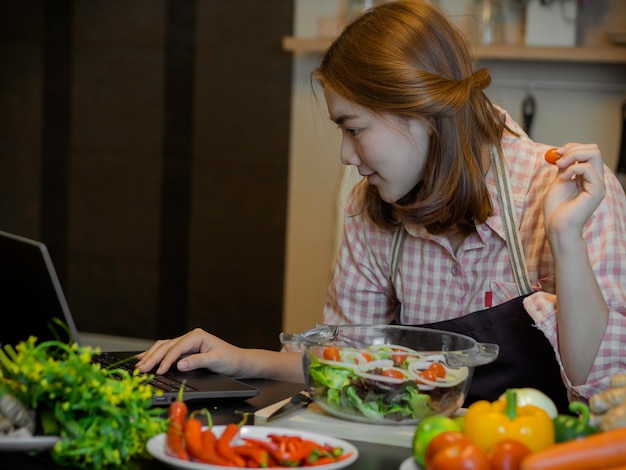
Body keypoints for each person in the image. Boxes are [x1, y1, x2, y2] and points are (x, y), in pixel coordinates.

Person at [137, 0, 626, 409]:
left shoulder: (572, 192)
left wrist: (565, 239)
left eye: (354, 128)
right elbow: (343, 362)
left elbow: (603, 390)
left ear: (420, 109)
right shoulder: (369, 208)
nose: (347, 156)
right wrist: (240, 359)